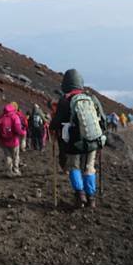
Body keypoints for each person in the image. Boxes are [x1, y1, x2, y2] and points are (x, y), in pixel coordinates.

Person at [50, 69, 106, 208]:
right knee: (89, 167)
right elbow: (103, 120)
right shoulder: (92, 99)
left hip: (74, 143)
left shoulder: (65, 100)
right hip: (92, 140)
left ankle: (80, 195)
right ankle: (91, 198)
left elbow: (56, 123)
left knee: (74, 166)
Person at [0, 103, 27, 176]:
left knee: (7, 156)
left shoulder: (1, 116)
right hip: (13, 140)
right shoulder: (14, 116)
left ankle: (9, 171)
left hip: (3, 140)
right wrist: (23, 133)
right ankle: (16, 170)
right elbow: (17, 129)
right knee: (15, 156)